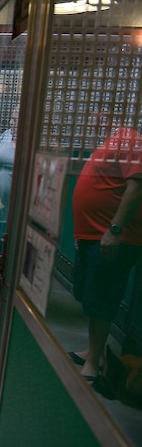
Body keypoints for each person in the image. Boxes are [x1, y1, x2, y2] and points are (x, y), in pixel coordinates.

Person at [69, 127, 142, 382]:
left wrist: (114, 230)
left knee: (101, 298)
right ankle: (93, 350)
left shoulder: (130, 139)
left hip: (111, 238)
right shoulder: (113, 140)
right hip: (92, 235)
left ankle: (94, 360)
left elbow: (136, 186)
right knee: (89, 294)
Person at [0, 105, 19, 251]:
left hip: (13, 206)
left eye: (14, 119)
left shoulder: (28, 142)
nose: (11, 123)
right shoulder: (6, 135)